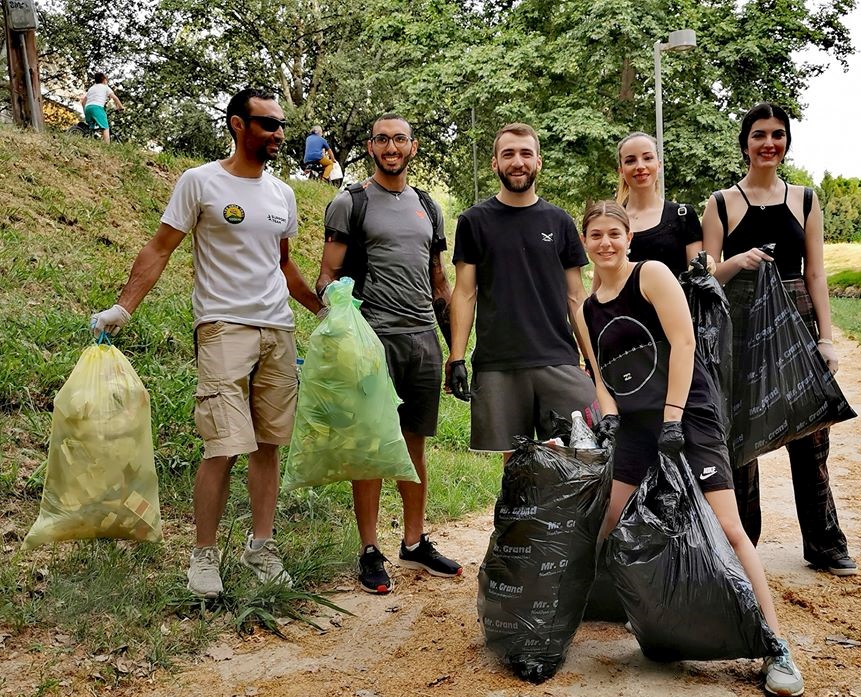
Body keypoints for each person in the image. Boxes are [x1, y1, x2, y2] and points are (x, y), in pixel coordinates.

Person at [90, 88, 321, 598]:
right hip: (221, 327)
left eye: (281, 124)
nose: (279, 134)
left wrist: (326, 313)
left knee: (268, 444)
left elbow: (282, 265)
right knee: (222, 445)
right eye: (268, 125)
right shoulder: (200, 182)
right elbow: (160, 247)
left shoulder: (282, 194)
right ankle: (203, 557)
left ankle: (261, 547)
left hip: (277, 331)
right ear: (239, 126)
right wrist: (123, 308)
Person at [574, 199, 804, 697]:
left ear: (628, 237)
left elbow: (683, 344)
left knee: (728, 527)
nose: (606, 243)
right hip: (636, 424)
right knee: (605, 522)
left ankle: (775, 644)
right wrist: (609, 417)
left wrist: (674, 420)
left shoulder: (651, 274)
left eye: (615, 233)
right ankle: (565, 615)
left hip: (689, 416)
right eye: (596, 235)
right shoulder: (590, 305)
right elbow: (601, 373)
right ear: (585, 241)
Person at [701, 102, 858, 577]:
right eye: (759, 135)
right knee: (740, 436)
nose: (769, 143)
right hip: (741, 324)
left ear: (787, 142)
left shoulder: (806, 199)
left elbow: (816, 273)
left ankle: (825, 543)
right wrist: (737, 262)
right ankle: (740, 543)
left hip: (796, 319)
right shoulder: (721, 203)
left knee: (810, 433)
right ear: (744, 143)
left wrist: (825, 339)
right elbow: (705, 276)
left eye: (778, 134)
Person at [314, 113, 462, 595]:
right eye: (383, 139)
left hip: (423, 339)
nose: (391, 146)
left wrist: (455, 352)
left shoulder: (427, 205)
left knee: (414, 442)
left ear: (413, 148)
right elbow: (326, 278)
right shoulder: (349, 202)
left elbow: (439, 279)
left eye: (400, 139)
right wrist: (343, 330)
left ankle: (415, 541)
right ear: (371, 147)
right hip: (372, 339)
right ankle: (370, 549)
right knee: (371, 446)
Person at [447, 123, 596, 459]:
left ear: (538, 162)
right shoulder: (474, 221)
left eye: (526, 153)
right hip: (498, 363)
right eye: (509, 154)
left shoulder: (559, 222)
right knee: (515, 467)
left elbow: (576, 297)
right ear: (495, 163)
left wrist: (593, 360)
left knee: (577, 457)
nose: (518, 162)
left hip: (558, 359)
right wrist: (456, 357)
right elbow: (465, 292)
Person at [614, 131, 707, 276]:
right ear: (621, 170)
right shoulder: (612, 219)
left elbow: (696, 277)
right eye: (630, 160)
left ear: (659, 165)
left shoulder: (683, 216)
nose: (640, 166)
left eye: (647, 158)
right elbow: (602, 284)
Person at [81, 72, 124, 143]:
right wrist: (121, 107)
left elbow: (83, 102)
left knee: (91, 129)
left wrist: (85, 112)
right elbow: (115, 98)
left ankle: (88, 141)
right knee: (105, 128)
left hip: (88, 108)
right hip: (97, 108)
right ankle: (107, 147)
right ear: (104, 80)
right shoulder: (105, 87)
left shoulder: (91, 88)